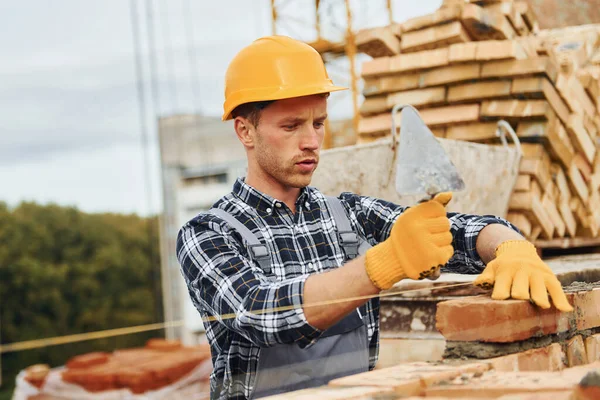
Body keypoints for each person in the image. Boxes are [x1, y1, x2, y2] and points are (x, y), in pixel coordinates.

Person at [176, 35, 573, 400]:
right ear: (245, 131)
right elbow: (261, 312)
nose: (312, 141)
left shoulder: (349, 214)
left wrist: (508, 245)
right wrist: (380, 265)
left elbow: (457, 231)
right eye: (291, 125)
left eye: (318, 123)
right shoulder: (208, 234)